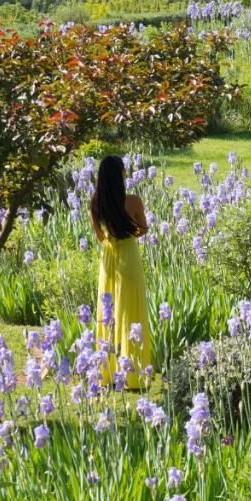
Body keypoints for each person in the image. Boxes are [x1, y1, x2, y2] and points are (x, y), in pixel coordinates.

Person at [89, 155, 151, 390]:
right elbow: (143, 229)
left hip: (108, 260)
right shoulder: (133, 201)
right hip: (129, 257)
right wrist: (128, 235)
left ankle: (107, 371)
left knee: (108, 314)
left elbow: (100, 236)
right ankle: (133, 375)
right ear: (121, 175)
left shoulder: (95, 203)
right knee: (131, 313)